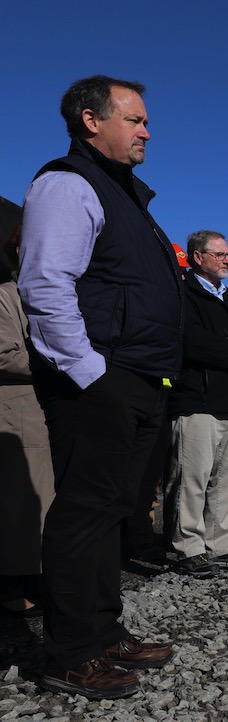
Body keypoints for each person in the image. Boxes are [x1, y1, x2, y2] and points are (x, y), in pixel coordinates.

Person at [19, 75, 181, 699]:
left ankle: (104, 631)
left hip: (139, 376)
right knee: (84, 512)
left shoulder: (126, 196)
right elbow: (45, 283)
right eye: (135, 120)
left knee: (114, 510)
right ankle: (69, 652)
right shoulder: (68, 184)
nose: (147, 131)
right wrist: (90, 372)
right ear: (92, 120)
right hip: (98, 378)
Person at [165, 230, 228, 578]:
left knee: (226, 481)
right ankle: (188, 547)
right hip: (199, 400)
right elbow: (194, 341)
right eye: (220, 254)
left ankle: (221, 544)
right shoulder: (182, 294)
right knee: (191, 479)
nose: (227, 260)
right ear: (198, 257)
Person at [0, 226, 52, 618]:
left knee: (47, 503)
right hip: (21, 412)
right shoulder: (6, 296)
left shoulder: (58, 298)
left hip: (51, 412)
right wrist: (60, 361)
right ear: (19, 250)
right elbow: (4, 355)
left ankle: (40, 580)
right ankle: (13, 588)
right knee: (20, 503)